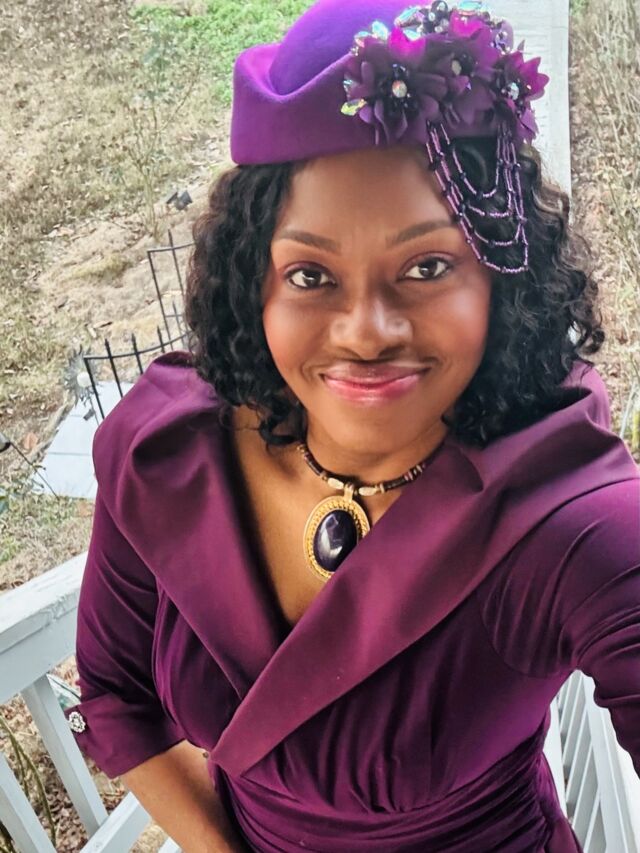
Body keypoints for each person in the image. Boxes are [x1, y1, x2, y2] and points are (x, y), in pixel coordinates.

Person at [64, 1, 640, 851]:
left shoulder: (564, 515)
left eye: (428, 265)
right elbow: (117, 700)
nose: (367, 331)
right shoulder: (163, 453)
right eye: (310, 274)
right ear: (251, 281)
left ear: (502, 275)